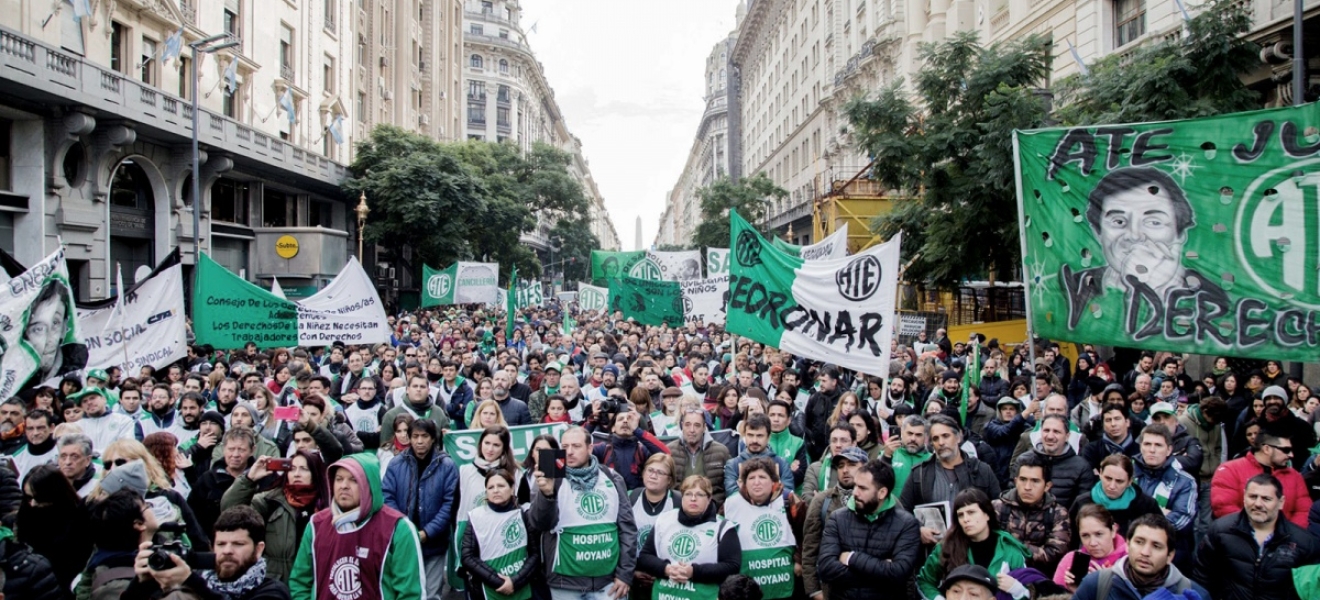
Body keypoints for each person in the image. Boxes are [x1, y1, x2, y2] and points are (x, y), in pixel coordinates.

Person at [289, 453, 425, 600]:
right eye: (339, 479)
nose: (344, 486)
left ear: (369, 486)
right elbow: (299, 582)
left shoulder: (398, 528)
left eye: (354, 480)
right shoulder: (316, 525)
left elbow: (410, 593)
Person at [529, 426, 637, 600]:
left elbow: (627, 529)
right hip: (564, 584)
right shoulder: (550, 477)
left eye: (576, 446)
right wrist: (547, 494)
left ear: (590, 448)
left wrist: (625, 574)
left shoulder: (611, 477)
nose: (569, 452)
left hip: (607, 583)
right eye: (564, 447)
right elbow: (539, 525)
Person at [120, 505, 292, 600]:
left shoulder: (273, 591)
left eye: (238, 544)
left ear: (259, 549)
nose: (227, 551)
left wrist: (190, 581)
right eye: (221, 543)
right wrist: (141, 583)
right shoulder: (199, 580)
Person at [1192, 474, 1320, 600]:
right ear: (1244, 497)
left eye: (1266, 499)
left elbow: (1310, 591)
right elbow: (1202, 578)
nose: (1258, 504)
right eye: (1253, 497)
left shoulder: (1304, 542)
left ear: (1281, 502)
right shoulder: (1220, 531)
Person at [816, 458, 922, 600]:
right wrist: (882, 572)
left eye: (863, 488)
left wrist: (851, 558)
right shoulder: (838, 519)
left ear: (882, 493)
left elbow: (898, 574)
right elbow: (826, 569)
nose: (855, 493)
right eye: (855, 486)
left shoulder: (906, 524)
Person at [220, 451, 329, 582]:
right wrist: (249, 479)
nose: (297, 474)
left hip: (312, 580)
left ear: (315, 473)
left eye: (304, 469)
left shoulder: (326, 504)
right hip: (275, 582)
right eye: (292, 469)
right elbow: (230, 510)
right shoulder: (271, 500)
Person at [381, 418, 458, 600]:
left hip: (434, 543)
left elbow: (449, 505)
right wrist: (404, 529)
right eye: (415, 436)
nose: (420, 441)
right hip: (402, 541)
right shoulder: (396, 464)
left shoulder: (447, 466)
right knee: (405, 591)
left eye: (424, 436)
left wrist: (427, 533)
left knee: (431, 595)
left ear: (432, 438)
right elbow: (387, 496)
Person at [900, 415, 1001, 545]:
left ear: (958, 437)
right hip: (934, 550)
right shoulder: (919, 473)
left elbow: (997, 509)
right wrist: (918, 529)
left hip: (974, 547)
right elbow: (903, 511)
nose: (941, 442)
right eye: (935, 438)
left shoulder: (981, 470)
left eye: (945, 436)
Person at [638, 475, 741, 600]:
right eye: (688, 494)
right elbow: (644, 557)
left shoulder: (723, 527)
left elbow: (732, 566)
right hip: (664, 595)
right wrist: (667, 569)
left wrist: (693, 572)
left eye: (700, 494)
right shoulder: (664, 520)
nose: (693, 499)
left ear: (709, 499)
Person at [915, 488, 1030, 600]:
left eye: (971, 512)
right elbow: (924, 581)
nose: (966, 519)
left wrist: (1017, 589)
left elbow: (1029, 592)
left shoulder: (1009, 549)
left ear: (987, 514)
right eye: (961, 515)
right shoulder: (946, 547)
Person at [1070, 514, 1209, 600]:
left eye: (1156, 546)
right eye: (1139, 542)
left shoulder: (1193, 593)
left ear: (1170, 555)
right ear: (1127, 544)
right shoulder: (1097, 583)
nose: (1145, 552)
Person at [460, 468, 540, 600]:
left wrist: (515, 582)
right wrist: (500, 582)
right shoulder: (475, 517)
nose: (496, 490)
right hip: (489, 591)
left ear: (512, 488)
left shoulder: (523, 514)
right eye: (491, 487)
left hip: (523, 590)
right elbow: (468, 557)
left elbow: (535, 554)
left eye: (501, 486)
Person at [1211, 425, 1313, 527]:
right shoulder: (1230, 470)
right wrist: (1257, 532)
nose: (1291, 455)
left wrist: (1287, 534)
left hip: (1285, 539)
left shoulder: (1295, 476)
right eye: (1286, 450)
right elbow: (1224, 508)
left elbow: (1304, 511)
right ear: (1267, 449)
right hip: (1241, 537)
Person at [724, 457, 797, 599]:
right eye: (751, 478)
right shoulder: (731, 504)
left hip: (784, 586)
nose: (757, 482)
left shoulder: (789, 500)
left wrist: (799, 561)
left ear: (773, 481)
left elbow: (806, 535)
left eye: (762, 477)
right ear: (744, 483)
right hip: (747, 588)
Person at [802, 446, 866, 600]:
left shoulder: (881, 499)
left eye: (851, 465)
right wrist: (814, 591)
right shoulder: (822, 501)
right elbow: (810, 548)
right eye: (841, 465)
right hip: (831, 588)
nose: (845, 470)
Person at [16, 463, 93, 590]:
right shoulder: (25, 514)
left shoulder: (79, 520)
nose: (33, 503)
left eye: (39, 498)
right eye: (29, 497)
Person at [993, 452, 1070, 573]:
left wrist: (1012, 546)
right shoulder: (997, 508)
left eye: (1035, 481)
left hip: (1040, 576)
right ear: (1016, 481)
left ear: (1047, 486)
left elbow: (1054, 553)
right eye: (1023, 480)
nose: (1027, 487)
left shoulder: (1057, 513)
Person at [1069, 455, 1163, 539]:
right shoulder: (1082, 502)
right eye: (1108, 479)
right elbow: (1072, 539)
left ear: (1129, 481)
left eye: (1119, 481)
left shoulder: (1147, 505)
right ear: (1100, 474)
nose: (1112, 486)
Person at [1014, 414, 1095, 508]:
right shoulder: (1023, 460)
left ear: (1067, 436)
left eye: (1056, 432)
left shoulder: (1082, 467)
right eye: (1046, 430)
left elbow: (1082, 506)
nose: (1050, 436)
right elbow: (1012, 495)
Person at [1052, 505, 1127, 592]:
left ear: (1113, 530)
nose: (1092, 543)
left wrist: (1106, 587)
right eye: (1085, 536)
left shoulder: (1128, 561)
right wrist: (1077, 593)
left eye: (1099, 534)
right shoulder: (1070, 560)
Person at [592, 407, 669, 491]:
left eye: (629, 419)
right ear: (613, 428)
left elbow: (666, 454)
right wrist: (591, 422)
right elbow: (580, 450)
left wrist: (637, 431)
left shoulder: (642, 450)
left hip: (636, 499)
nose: (625, 421)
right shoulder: (603, 449)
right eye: (620, 419)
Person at [627, 454, 680, 572]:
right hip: (632, 571)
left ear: (669, 480)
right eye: (650, 470)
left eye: (660, 473)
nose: (653, 476)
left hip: (667, 572)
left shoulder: (678, 502)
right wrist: (631, 572)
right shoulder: (631, 496)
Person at [668, 408, 731, 505]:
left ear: (704, 427)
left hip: (713, 509)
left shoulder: (721, 451)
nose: (692, 430)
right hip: (678, 508)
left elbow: (729, 486)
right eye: (687, 425)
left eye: (697, 425)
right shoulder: (670, 451)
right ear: (682, 426)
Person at [725, 414, 795, 498]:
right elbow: (732, 495)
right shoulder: (733, 465)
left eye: (759, 436)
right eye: (750, 435)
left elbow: (787, 495)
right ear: (744, 436)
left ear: (768, 437)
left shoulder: (781, 463)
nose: (754, 440)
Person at [69, 387, 136, 454]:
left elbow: (127, 447)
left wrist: (96, 453)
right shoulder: (76, 427)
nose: (89, 402)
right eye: (84, 401)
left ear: (104, 399)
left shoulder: (123, 421)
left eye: (93, 398)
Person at [881, 415, 932, 500]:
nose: (913, 438)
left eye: (918, 435)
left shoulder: (931, 459)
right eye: (909, 433)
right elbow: (877, 482)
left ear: (925, 437)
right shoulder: (888, 454)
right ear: (901, 432)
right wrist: (886, 457)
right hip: (892, 510)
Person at [804, 369, 843, 461]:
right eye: (820, 381)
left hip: (836, 448)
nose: (821, 384)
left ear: (834, 382)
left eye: (824, 381)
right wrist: (811, 441)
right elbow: (807, 422)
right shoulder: (815, 398)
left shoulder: (843, 400)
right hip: (816, 450)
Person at [767, 400, 808, 485]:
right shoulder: (760, 442)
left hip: (790, 494)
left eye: (780, 415)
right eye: (772, 415)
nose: (776, 419)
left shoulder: (798, 443)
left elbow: (800, 475)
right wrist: (788, 469)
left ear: (789, 420)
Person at [10, 408, 56, 480]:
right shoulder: (16, 458)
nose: (35, 433)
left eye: (40, 428)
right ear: (25, 430)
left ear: (52, 428)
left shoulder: (63, 451)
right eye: (30, 428)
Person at [57, 433, 100, 498]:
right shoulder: (49, 484)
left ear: (88, 460)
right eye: (63, 456)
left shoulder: (98, 487)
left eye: (74, 457)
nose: (67, 462)